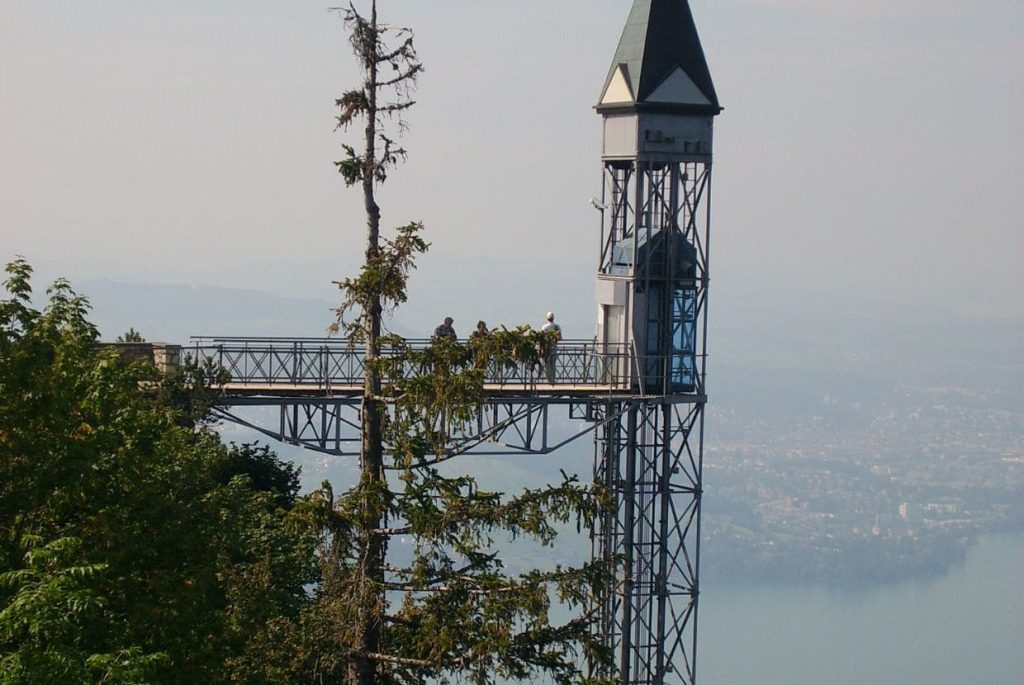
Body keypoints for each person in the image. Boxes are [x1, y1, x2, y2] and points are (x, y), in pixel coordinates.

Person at [540, 311, 562, 383]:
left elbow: (542, 337)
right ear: (553, 318)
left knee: (547, 364)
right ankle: (553, 380)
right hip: (554, 347)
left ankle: (549, 380)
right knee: (553, 364)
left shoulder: (544, 327)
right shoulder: (557, 326)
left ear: (547, 318)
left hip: (546, 348)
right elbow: (560, 338)